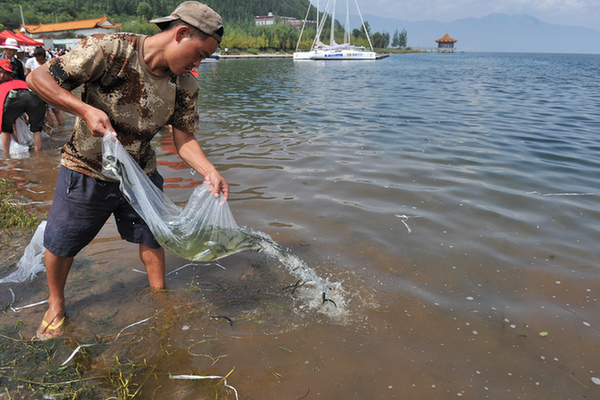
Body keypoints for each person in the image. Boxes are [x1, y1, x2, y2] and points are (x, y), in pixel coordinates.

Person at [26, 1, 228, 340]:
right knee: (63, 242)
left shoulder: (185, 86)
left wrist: (209, 170)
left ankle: (160, 299)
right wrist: (84, 110)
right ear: (180, 33)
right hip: (87, 167)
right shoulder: (111, 50)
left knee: (153, 237)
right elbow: (38, 78)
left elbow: (183, 138)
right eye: (199, 54)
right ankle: (56, 303)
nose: (198, 63)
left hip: (141, 173)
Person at [0, 59, 46, 155]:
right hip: (34, 94)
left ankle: (7, 157)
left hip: (13, 96)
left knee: (5, 128)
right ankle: (39, 157)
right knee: (36, 129)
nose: (2, 75)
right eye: (0, 72)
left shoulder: (4, 86)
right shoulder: (17, 81)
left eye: (6, 73)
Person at [25, 46, 65, 127]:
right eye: (38, 59)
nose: (40, 61)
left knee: (56, 110)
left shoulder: (49, 63)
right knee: (45, 111)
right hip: (36, 90)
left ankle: (62, 128)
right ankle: (51, 129)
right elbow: (27, 76)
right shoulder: (30, 62)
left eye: (41, 59)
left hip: (50, 90)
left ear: (45, 57)